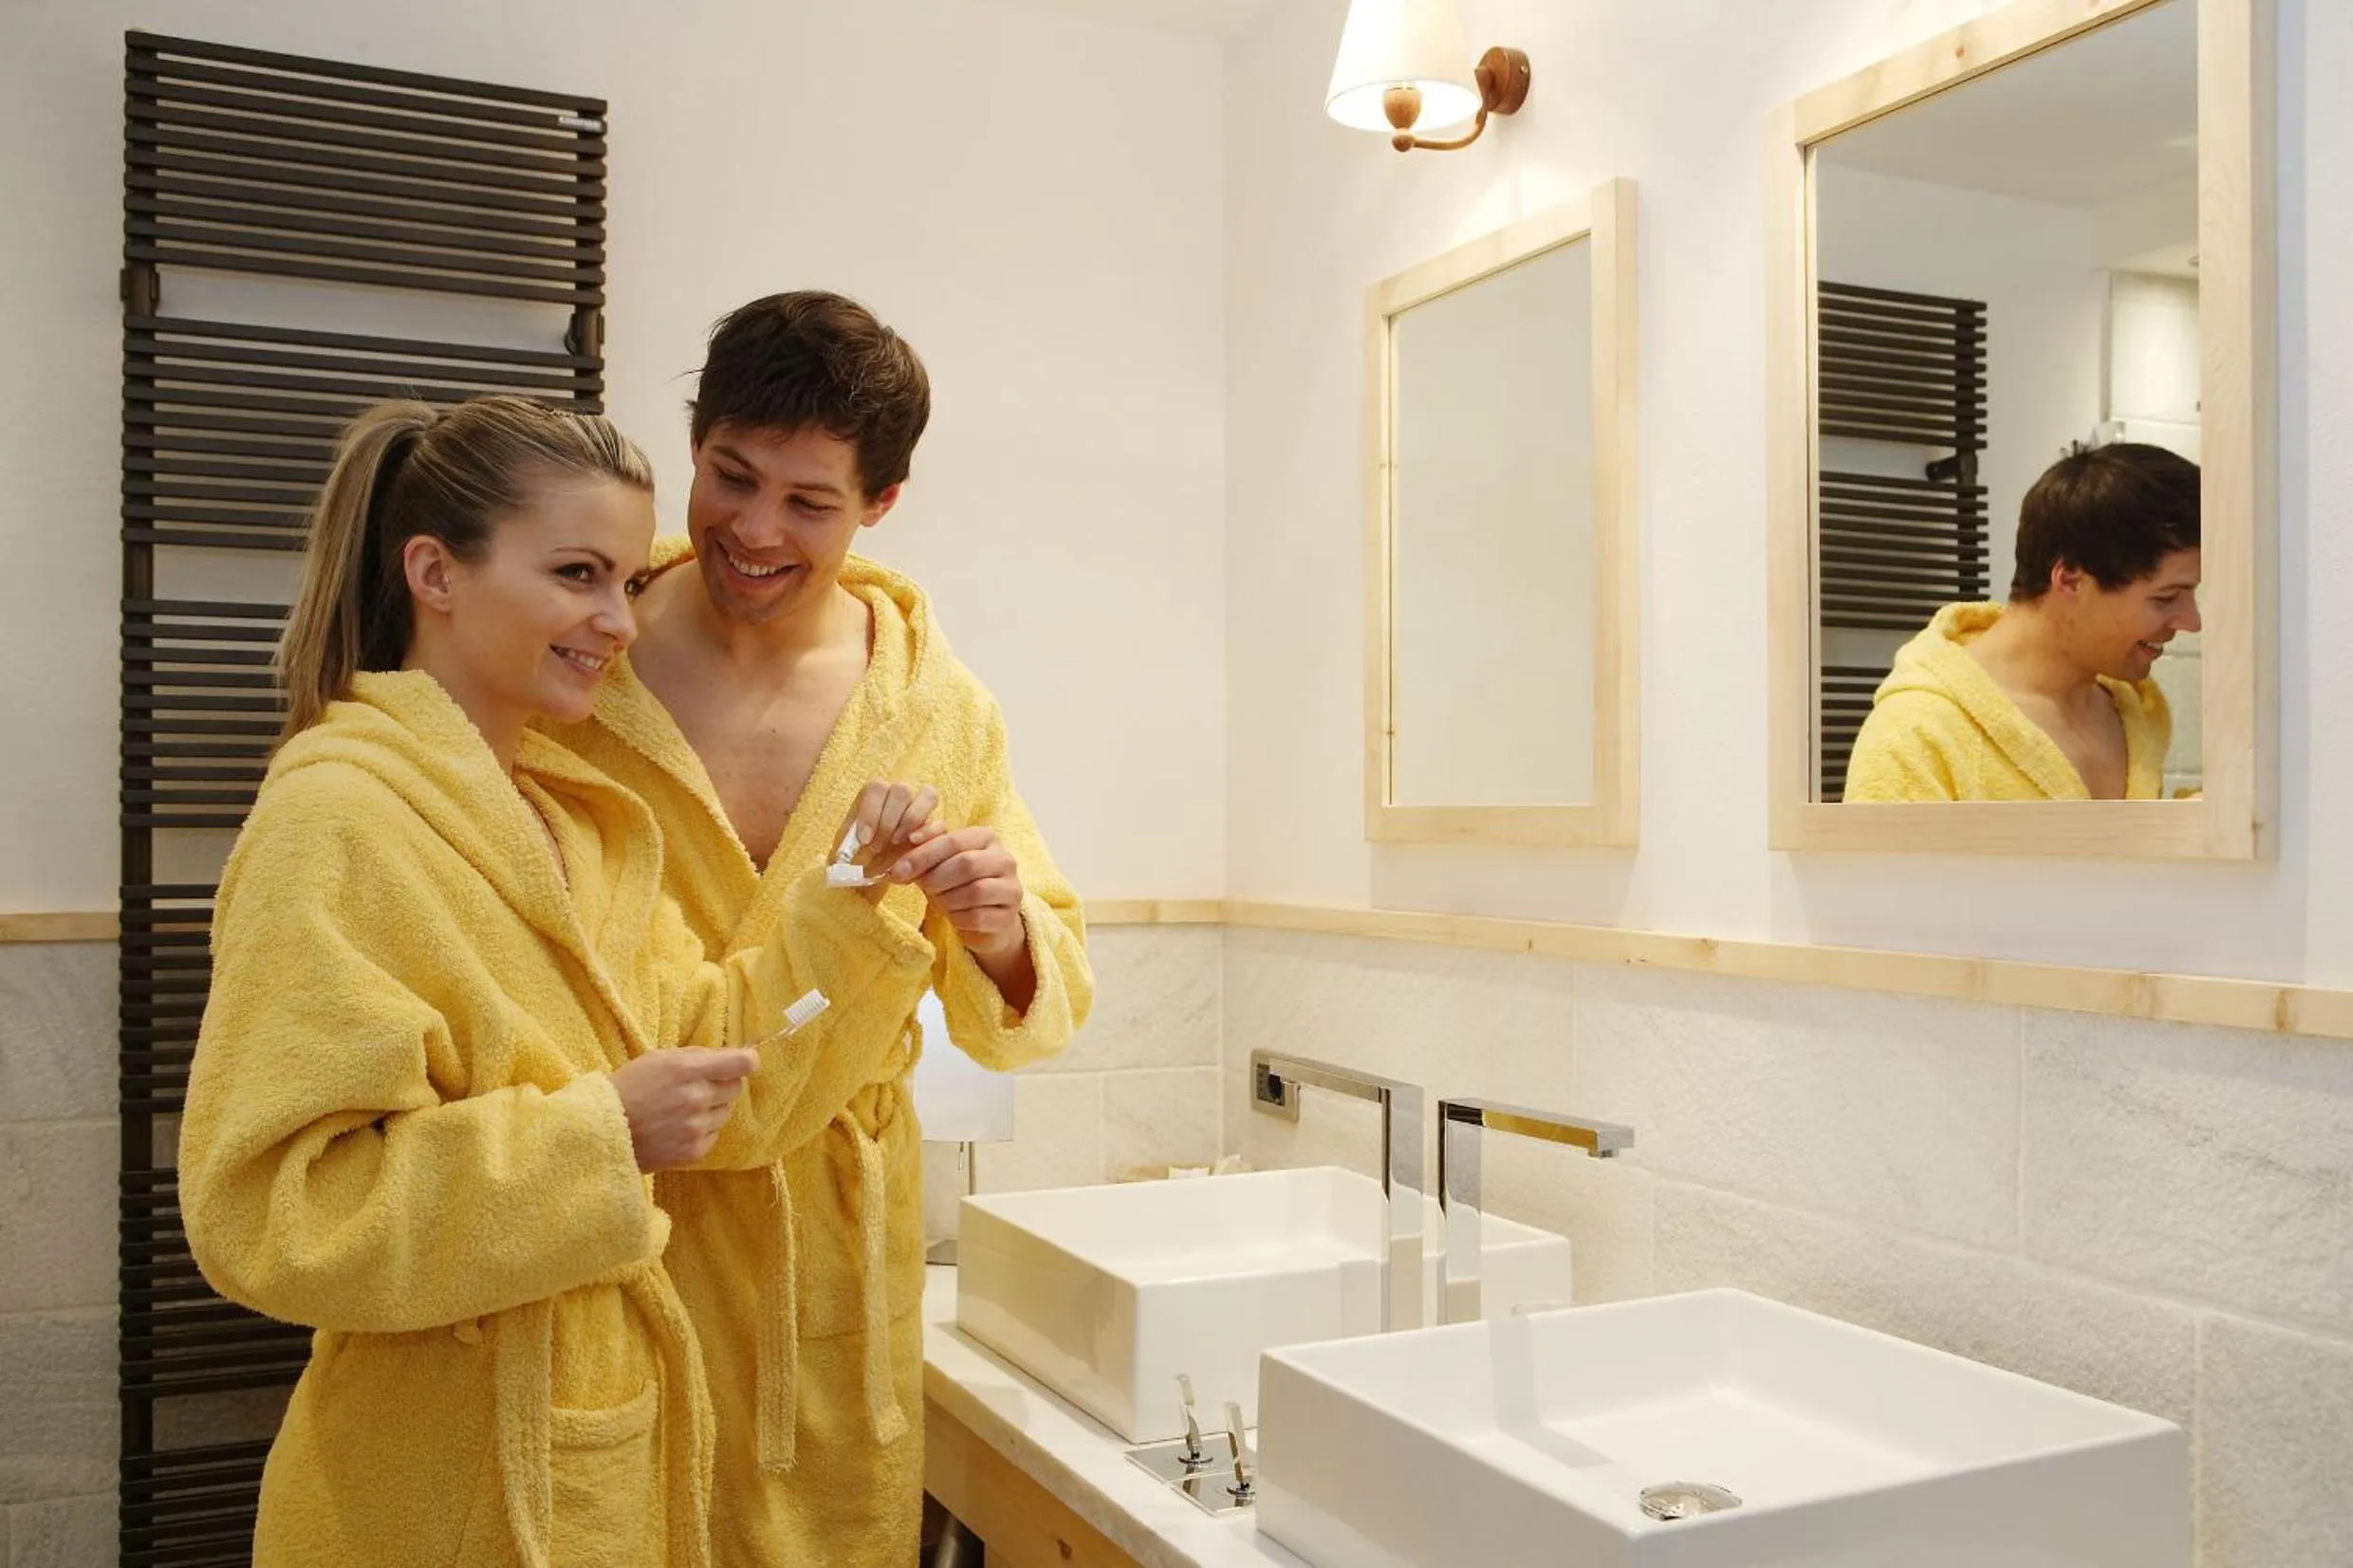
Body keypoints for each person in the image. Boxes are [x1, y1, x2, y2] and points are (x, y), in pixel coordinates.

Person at [178, 397, 943, 1568]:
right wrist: (599, 1138)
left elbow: (712, 1039)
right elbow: (274, 1211)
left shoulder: (573, 824)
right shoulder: (338, 821)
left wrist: (849, 900)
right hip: (436, 1484)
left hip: (588, 1460)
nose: (617, 622)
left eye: (627, 581)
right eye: (579, 575)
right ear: (434, 573)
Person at [547, 291, 1094, 1565]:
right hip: (625, 1208)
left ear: (882, 506)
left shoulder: (933, 707)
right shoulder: (583, 655)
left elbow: (1037, 988)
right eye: (731, 477)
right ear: (691, 441)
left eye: (810, 503)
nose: (753, 530)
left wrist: (1002, 930)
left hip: (828, 1265)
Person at [1843, 442, 2201, 802]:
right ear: (2071, 579)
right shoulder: (1916, 735)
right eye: (2165, 598)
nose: (2192, 621)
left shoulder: (2136, 716)